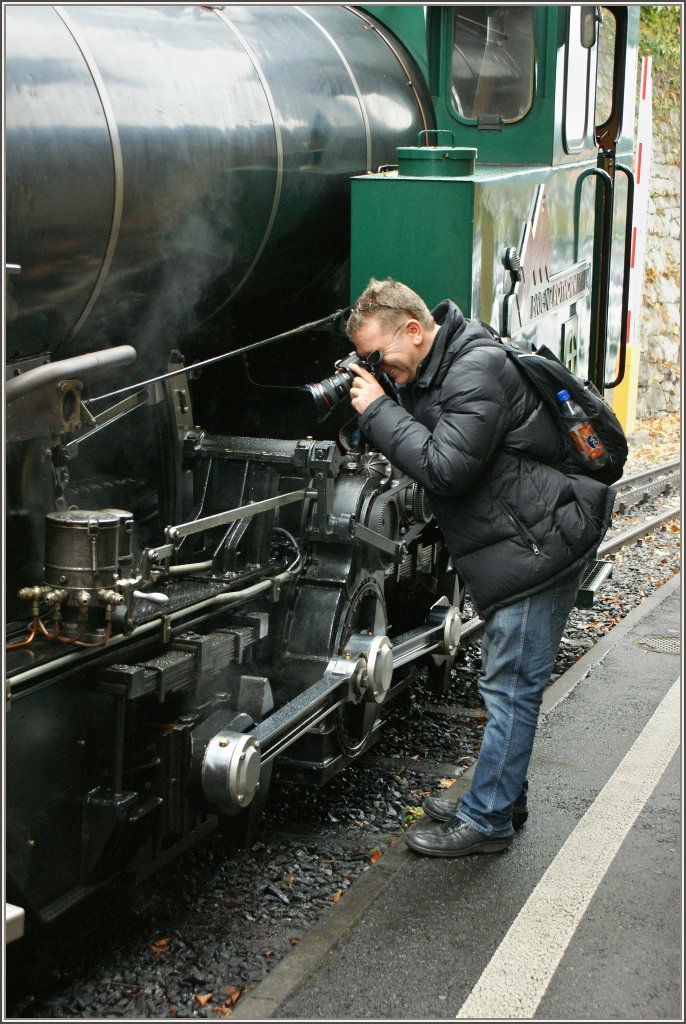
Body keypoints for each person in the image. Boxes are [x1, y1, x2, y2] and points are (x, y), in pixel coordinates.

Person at [345, 278, 615, 857]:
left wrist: (377, 412)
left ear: (414, 331)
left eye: (380, 357)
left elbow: (445, 468)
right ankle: (503, 796)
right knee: (508, 684)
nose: (380, 371)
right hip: (524, 541)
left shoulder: (476, 370)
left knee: (510, 689)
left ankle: (488, 821)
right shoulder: (442, 365)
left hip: (538, 549)